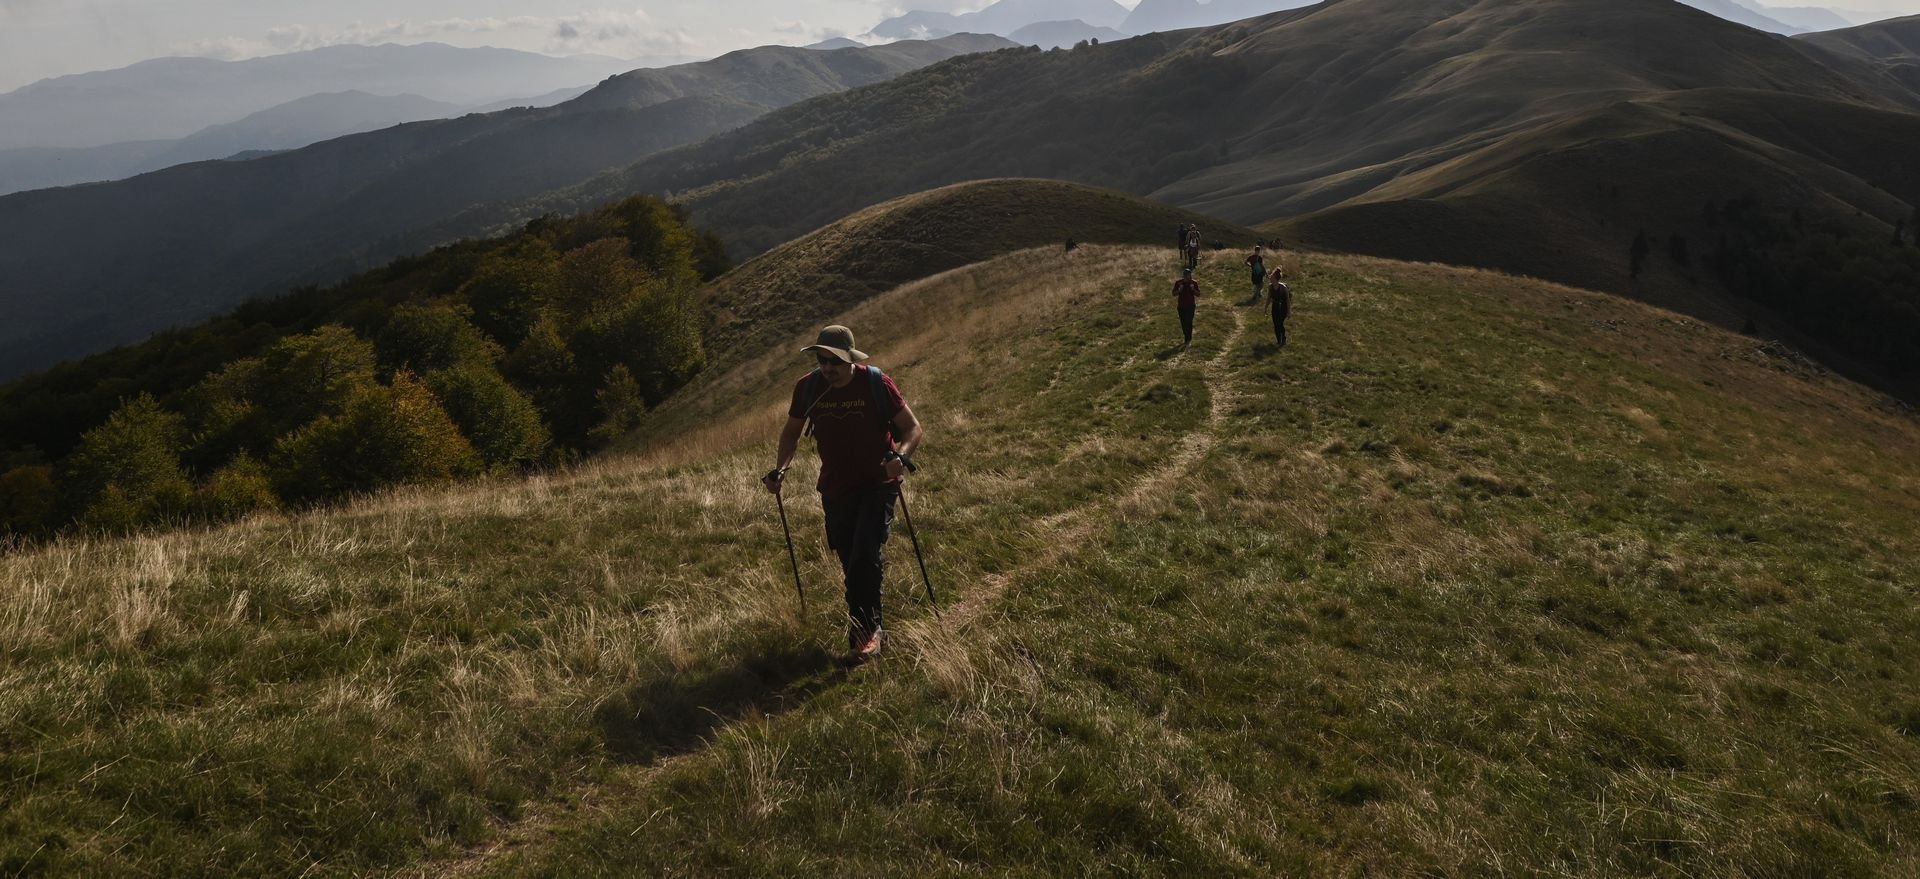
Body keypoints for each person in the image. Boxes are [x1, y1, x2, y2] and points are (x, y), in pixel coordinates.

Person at [763, 325, 925, 663]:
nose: (827, 369)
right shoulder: (808, 388)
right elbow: (791, 433)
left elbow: (911, 428)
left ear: (850, 359)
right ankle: (869, 625)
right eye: (822, 361)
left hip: (878, 484)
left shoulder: (876, 383)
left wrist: (901, 456)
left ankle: (867, 635)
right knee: (852, 562)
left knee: (864, 554)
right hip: (836, 488)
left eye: (834, 362)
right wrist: (780, 469)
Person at [1172, 267, 1201, 347]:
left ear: (1190, 275)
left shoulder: (1193, 283)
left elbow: (1198, 294)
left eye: (1188, 275)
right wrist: (1179, 290)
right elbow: (1174, 293)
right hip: (1181, 306)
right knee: (1183, 322)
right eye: (1185, 275)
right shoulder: (1178, 283)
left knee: (1189, 321)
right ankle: (1186, 336)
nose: (1187, 277)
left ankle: (1188, 338)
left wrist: (1193, 289)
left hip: (1190, 306)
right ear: (1183, 275)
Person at [1267, 268, 1292, 348]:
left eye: (1272, 276)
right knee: (1275, 324)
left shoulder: (1283, 288)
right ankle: (1278, 340)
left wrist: (1289, 311)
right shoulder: (1270, 287)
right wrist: (1265, 307)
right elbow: (1269, 298)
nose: (1270, 277)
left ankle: (1283, 338)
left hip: (1283, 307)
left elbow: (1288, 300)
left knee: (1280, 323)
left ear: (1276, 278)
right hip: (1275, 307)